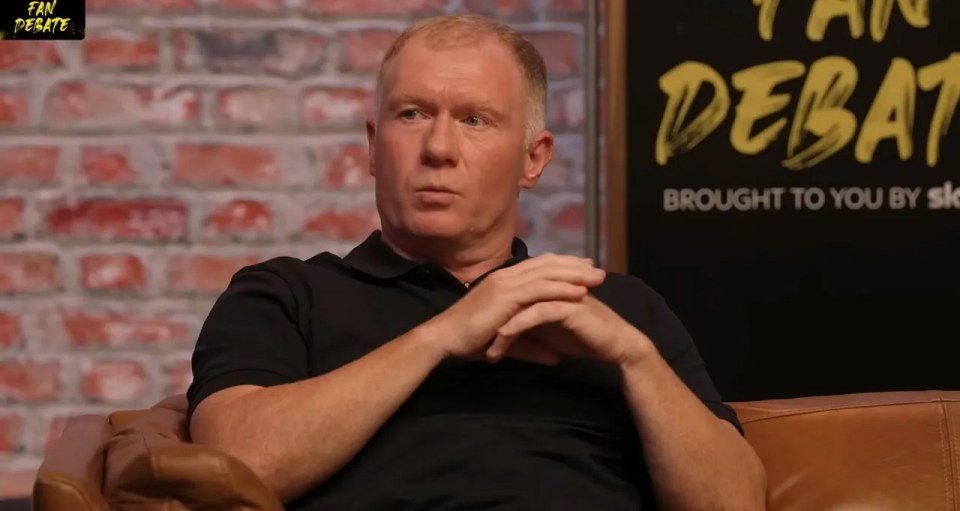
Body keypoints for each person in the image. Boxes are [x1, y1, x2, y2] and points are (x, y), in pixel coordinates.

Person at [187, 14, 767, 511]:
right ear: (371, 145)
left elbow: (737, 502)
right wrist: (444, 333)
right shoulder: (288, 295)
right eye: (411, 115)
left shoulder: (619, 309)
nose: (438, 148)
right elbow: (230, 469)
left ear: (533, 160)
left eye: (474, 120)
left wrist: (633, 359)